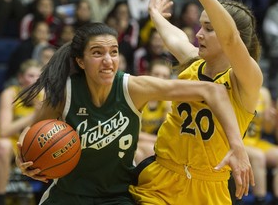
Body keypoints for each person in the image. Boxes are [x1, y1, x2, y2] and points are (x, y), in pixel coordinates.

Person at [15, 22, 246, 205]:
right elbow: (31, 133)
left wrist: (237, 146)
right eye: (97, 53)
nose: (108, 61)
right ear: (81, 61)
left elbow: (213, 90)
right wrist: (22, 156)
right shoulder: (65, 92)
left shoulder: (132, 88)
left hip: (116, 196)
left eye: (113, 52)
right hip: (67, 195)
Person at [129, 0, 262, 204]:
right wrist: (155, 14)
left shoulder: (247, 80)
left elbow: (230, 39)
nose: (199, 34)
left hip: (209, 188)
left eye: (209, 29)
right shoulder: (193, 62)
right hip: (162, 179)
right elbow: (176, 37)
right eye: (201, 26)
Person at [0, 59, 43, 205]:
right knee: (3, 145)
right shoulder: (10, 93)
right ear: (20, 78)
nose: (35, 81)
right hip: (12, 141)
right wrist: (33, 116)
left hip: (34, 144)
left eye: (39, 77)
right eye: (30, 76)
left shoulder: (44, 96)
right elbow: (4, 131)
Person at [244, 87, 278, 205]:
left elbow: (268, 129)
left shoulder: (264, 93)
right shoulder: (235, 87)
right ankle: (260, 200)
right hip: (239, 142)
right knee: (258, 156)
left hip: (256, 141)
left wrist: (271, 119)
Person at [135, 58, 172, 165]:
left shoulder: (168, 102)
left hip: (150, 142)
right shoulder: (138, 96)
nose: (160, 79)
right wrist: (155, 140)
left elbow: (168, 136)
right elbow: (132, 133)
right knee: (143, 153)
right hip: (131, 140)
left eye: (165, 76)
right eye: (156, 74)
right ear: (147, 75)